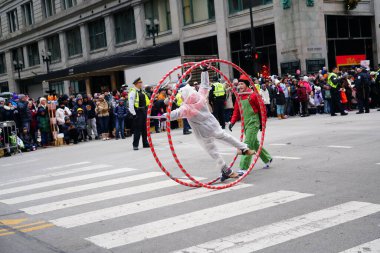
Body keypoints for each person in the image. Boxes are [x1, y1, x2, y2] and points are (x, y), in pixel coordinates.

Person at [164, 66, 255, 182]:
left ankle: (226, 168)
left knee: (213, 151)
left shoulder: (186, 107)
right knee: (225, 137)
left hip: (203, 132)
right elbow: (205, 85)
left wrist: (162, 116)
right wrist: (204, 71)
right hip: (212, 126)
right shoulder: (200, 97)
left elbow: (174, 114)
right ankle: (242, 149)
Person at [229, 75, 273, 176]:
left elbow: (262, 110)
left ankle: (244, 167)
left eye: (242, 83)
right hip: (245, 123)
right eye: (239, 84)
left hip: (254, 122)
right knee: (255, 143)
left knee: (247, 143)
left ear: (247, 84)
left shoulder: (253, 95)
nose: (239, 86)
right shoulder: (239, 96)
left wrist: (263, 123)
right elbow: (236, 110)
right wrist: (232, 122)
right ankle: (268, 158)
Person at [128, 77, 150, 150]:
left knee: (145, 128)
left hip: (143, 111)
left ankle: (145, 143)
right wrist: (134, 114)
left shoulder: (142, 91)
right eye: (140, 82)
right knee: (137, 129)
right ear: (136, 84)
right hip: (137, 112)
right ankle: (135, 145)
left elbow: (146, 101)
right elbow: (130, 104)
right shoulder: (133, 92)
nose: (141, 83)